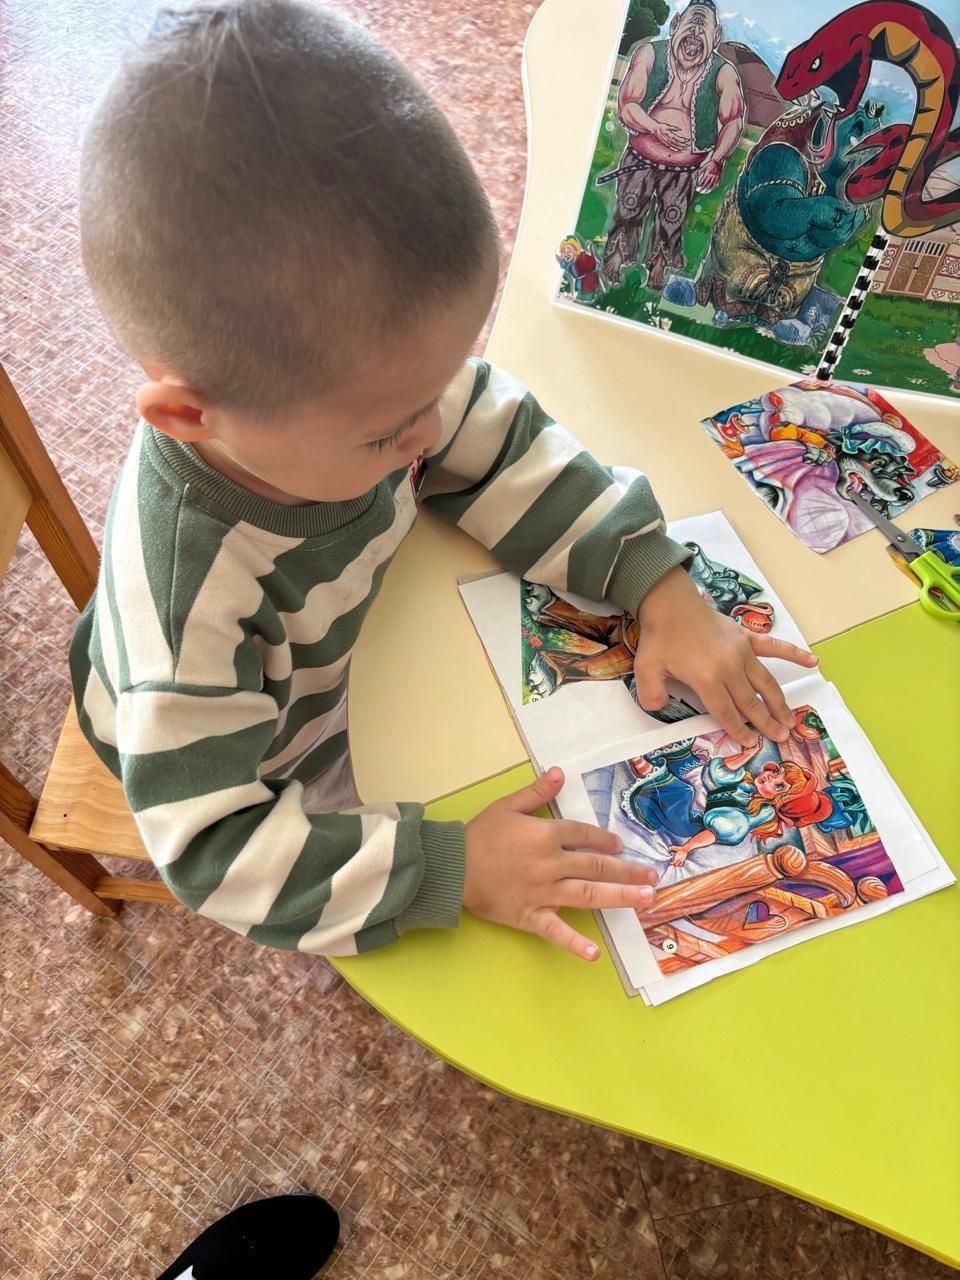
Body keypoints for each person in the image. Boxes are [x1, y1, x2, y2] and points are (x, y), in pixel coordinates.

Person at [71, 0, 818, 967]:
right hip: (259, 757)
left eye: (439, 384)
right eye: (388, 433)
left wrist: (656, 581)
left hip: (363, 646)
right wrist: (452, 868)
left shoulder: (359, 386)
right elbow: (216, 853)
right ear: (189, 417)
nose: (430, 433)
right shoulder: (187, 617)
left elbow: (492, 432)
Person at [599, 0, 744, 289]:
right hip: (641, 157)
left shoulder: (723, 72)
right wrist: (654, 127)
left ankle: (659, 265)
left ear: (716, 37)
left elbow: (734, 121)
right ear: (675, 25)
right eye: (690, 26)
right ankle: (615, 256)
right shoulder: (649, 53)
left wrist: (716, 159)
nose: (694, 36)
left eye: (703, 30)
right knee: (628, 208)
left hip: (685, 168)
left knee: (672, 218)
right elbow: (627, 104)